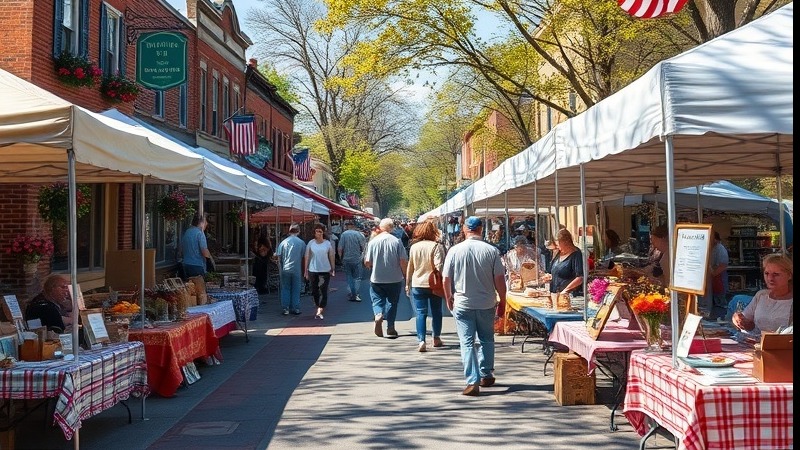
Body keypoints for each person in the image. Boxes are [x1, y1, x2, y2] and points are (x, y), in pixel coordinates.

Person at [442, 216, 506, 396]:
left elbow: (446, 278)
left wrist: (448, 296)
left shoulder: (454, 251)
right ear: (481, 229)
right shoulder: (491, 251)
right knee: (486, 338)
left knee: (467, 342)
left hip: (463, 303)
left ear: (464, 229)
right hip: (486, 302)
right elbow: (500, 279)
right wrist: (503, 299)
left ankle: (472, 380)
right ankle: (486, 373)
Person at [405, 220, 446, 352]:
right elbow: (439, 266)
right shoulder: (436, 246)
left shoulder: (414, 247)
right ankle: (436, 338)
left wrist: (407, 284)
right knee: (437, 312)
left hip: (417, 283)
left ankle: (421, 340)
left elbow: (410, 267)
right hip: (433, 284)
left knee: (420, 313)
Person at [364, 218, 408, 338]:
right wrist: (406, 276)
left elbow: (367, 261)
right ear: (392, 228)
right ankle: (390, 327)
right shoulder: (397, 241)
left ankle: (378, 314)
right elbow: (403, 261)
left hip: (377, 278)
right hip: (394, 278)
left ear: (380, 227)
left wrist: (372, 266)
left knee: (377, 300)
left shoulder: (373, 242)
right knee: (392, 303)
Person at [732, 253, 793, 333]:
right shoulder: (761, 295)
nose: (770, 278)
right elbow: (749, 324)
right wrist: (739, 320)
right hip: (757, 343)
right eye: (767, 273)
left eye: (776, 274)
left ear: (789, 275)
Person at [304, 223, 335, 320]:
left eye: (320, 231)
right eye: (317, 231)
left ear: (323, 232)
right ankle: (317, 304)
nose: (319, 233)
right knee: (314, 290)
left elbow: (331, 256)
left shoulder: (327, 243)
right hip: (313, 269)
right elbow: (307, 257)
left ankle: (321, 307)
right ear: (314, 233)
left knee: (323, 288)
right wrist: (306, 270)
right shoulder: (311, 243)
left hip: (325, 269)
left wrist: (332, 268)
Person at [542, 229, 584, 298]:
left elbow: (580, 278)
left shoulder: (576, 254)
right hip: (555, 294)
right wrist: (549, 277)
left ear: (565, 242)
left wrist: (565, 291)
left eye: (558, 244)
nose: (557, 247)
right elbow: (552, 271)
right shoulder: (559, 252)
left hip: (568, 296)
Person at [275, 223, 306, 316]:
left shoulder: (283, 242)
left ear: (289, 231)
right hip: (297, 269)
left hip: (285, 269)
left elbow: (278, 256)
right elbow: (304, 257)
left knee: (285, 288)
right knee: (296, 288)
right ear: (298, 231)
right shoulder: (301, 243)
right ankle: (295, 307)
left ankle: (286, 308)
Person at [700, 231, 729, 318]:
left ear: (715, 239)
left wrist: (712, 274)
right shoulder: (712, 248)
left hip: (719, 278)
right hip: (712, 279)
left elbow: (723, 265)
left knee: (720, 303)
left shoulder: (720, 249)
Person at [338, 221, 367, 302]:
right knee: (357, 277)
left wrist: (341, 258)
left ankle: (352, 292)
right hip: (357, 258)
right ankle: (355, 293)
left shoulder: (344, 234)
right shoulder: (359, 234)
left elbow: (340, 248)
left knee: (349, 276)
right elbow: (364, 247)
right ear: (354, 226)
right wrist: (364, 257)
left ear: (347, 226)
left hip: (346, 259)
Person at [180, 212, 214, 278]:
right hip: (197, 265)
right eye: (206, 222)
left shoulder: (187, 231)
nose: (207, 224)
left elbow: (181, 250)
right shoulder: (200, 233)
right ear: (203, 222)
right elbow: (204, 252)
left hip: (186, 264)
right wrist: (211, 260)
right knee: (199, 286)